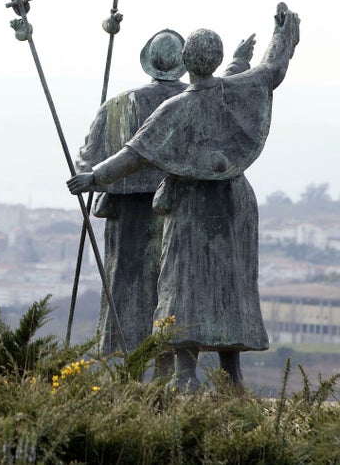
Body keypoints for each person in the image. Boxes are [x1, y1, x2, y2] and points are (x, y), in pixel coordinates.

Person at [68, 3, 300, 391]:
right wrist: (283, 34)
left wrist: (93, 177)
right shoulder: (237, 89)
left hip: (193, 205)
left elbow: (133, 156)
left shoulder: (175, 108)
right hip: (234, 201)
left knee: (184, 284)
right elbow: (272, 70)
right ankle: (231, 377)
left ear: (185, 63)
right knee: (231, 287)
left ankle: (184, 376)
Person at [77, 29, 256, 376]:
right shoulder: (201, 98)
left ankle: (137, 374)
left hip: (129, 215)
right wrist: (241, 59)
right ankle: (174, 372)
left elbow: (89, 161)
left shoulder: (119, 104)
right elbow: (230, 84)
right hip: (183, 208)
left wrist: (92, 177)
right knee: (177, 292)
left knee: (132, 297)